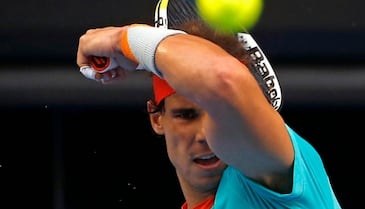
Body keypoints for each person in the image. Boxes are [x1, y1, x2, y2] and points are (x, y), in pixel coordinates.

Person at [76, 19, 342, 208]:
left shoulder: (275, 166)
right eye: (187, 115)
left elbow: (221, 79)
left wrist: (125, 38)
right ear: (157, 118)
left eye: (217, 115)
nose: (205, 134)